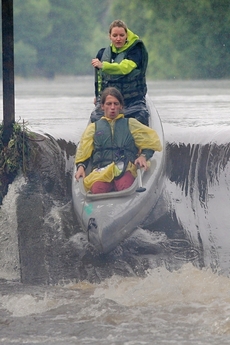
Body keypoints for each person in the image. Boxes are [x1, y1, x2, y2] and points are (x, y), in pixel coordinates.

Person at [75, 87, 162, 194]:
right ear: (102, 106)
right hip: (101, 171)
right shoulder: (93, 128)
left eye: (116, 104)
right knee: (97, 189)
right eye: (109, 104)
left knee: (124, 186)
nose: (112, 107)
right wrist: (80, 167)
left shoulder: (131, 124)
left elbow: (151, 143)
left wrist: (143, 156)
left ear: (121, 106)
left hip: (125, 169)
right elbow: (83, 152)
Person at [90, 19, 149, 126]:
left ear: (126, 35)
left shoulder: (135, 51)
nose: (118, 39)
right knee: (95, 117)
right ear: (110, 36)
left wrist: (103, 65)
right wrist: (98, 96)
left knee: (141, 116)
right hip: (110, 102)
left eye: (121, 35)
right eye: (115, 35)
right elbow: (99, 79)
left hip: (133, 100)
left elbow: (124, 68)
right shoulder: (102, 53)